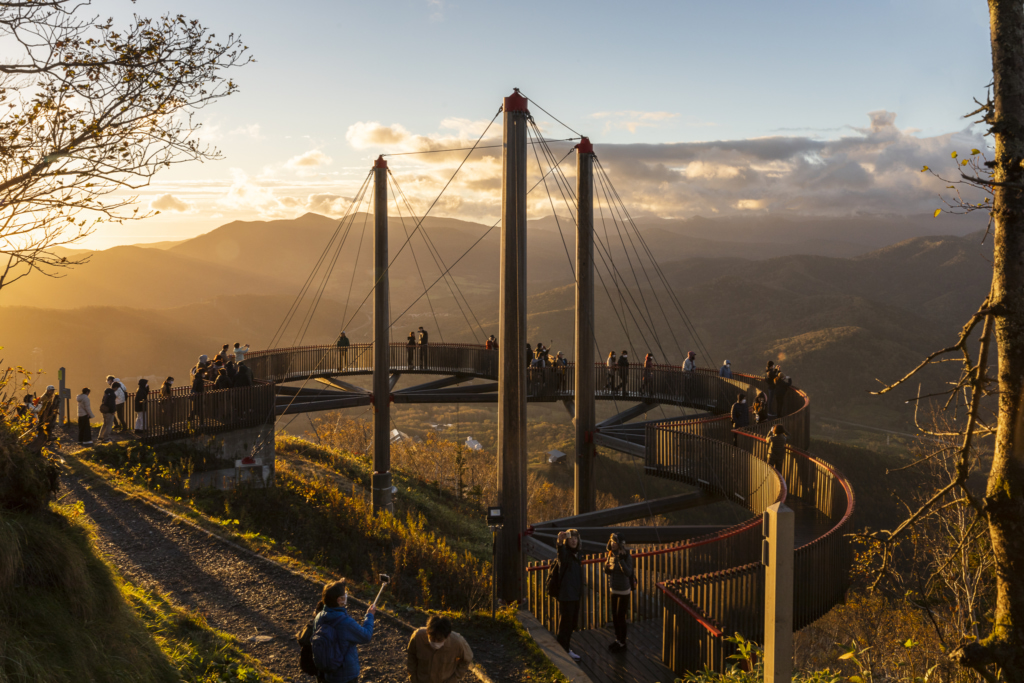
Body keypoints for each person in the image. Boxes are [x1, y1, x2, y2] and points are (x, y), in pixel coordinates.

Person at [312, 578, 375, 683]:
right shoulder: (346, 622)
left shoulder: (319, 617)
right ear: (339, 600)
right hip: (346, 675)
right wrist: (369, 616)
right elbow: (366, 636)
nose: (346, 596)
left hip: (326, 673)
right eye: (344, 595)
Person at [406, 615, 474, 683]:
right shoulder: (418, 637)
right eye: (432, 638)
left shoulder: (457, 642)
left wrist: (454, 679)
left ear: (448, 635)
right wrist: (413, 677)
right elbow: (411, 655)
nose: (435, 642)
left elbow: (467, 659)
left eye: (439, 640)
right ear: (427, 631)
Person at [555, 529, 584, 662]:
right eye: (571, 538)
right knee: (565, 624)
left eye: (575, 538)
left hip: (575, 594)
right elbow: (560, 553)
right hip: (567, 595)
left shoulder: (577, 554)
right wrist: (559, 542)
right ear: (567, 541)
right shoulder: (565, 554)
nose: (573, 540)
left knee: (571, 623)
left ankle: (565, 648)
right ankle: (564, 650)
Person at [603, 532, 635, 652]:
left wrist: (621, 560)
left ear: (620, 544)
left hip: (623, 590)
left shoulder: (626, 556)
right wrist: (606, 567)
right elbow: (608, 571)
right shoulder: (610, 554)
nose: (612, 544)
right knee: (615, 617)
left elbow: (628, 572)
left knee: (621, 617)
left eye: (615, 542)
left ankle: (622, 642)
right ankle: (618, 639)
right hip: (613, 589)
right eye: (611, 541)